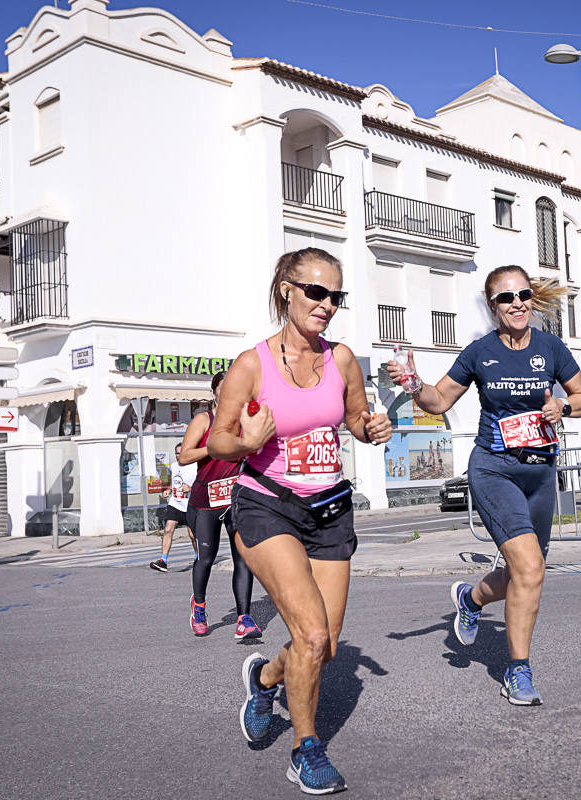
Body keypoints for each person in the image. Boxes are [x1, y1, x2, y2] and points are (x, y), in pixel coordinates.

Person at [210, 247, 391, 794]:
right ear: (287, 289)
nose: (328, 305)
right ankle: (305, 750)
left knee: (326, 644)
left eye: (337, 296)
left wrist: (370, 428)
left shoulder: (340, 359)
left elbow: (356, 417)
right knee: (310, 635)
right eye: (317, 292)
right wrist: (249, 440)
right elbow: (217, 439)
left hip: (329, 507)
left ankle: (265, 679)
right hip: (267, 504)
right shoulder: (252, 363)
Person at [388, 264, 581, 706]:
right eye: (506, 298)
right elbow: (439, 399)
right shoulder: (480, 352)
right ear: (492, 306)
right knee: (531, 569)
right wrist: (413, 384)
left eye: (522, 295)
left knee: (526, 572)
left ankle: (471, 598)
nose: (516, 303)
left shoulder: (551, 348)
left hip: (540, 472)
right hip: (494, 468)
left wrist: (564, 406)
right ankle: (517, 670)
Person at [182, 371, 258, 639]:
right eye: (223, 389)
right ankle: (199, 606)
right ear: (213, 393)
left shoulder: (243, 422)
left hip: (237, 499)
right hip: (206, 501)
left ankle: (244, 617)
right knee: (206, 558)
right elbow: (184, 456)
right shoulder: (204, 420)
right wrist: (213, 448)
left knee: (244, 558)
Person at [149, 443, 198, 572]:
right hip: (175, 503)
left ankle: (199, 557)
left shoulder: (196, 466)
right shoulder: (174, 466)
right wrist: (169, 489)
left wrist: (191, 488)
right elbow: (176, 480)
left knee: (193, 535)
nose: (179, 455)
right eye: (177, 453)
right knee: (168, 528)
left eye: (181, 453)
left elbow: (203, 485)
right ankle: (163, 561)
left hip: (191, 504)